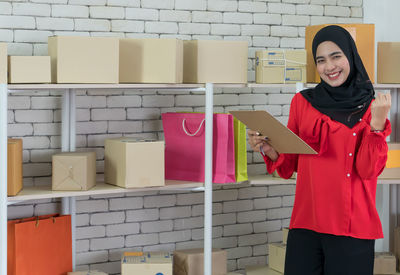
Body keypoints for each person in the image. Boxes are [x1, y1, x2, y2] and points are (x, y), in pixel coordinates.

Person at [248, 25, 391, 275]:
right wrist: (270, 149)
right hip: (307, 223)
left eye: (336, 56)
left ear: (351, 56)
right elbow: (289, 164)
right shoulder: (302, 103)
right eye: (321, 60)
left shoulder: (372, 106)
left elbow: (368, 170)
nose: (329, 66)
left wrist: (377, 125)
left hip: (351, 227)